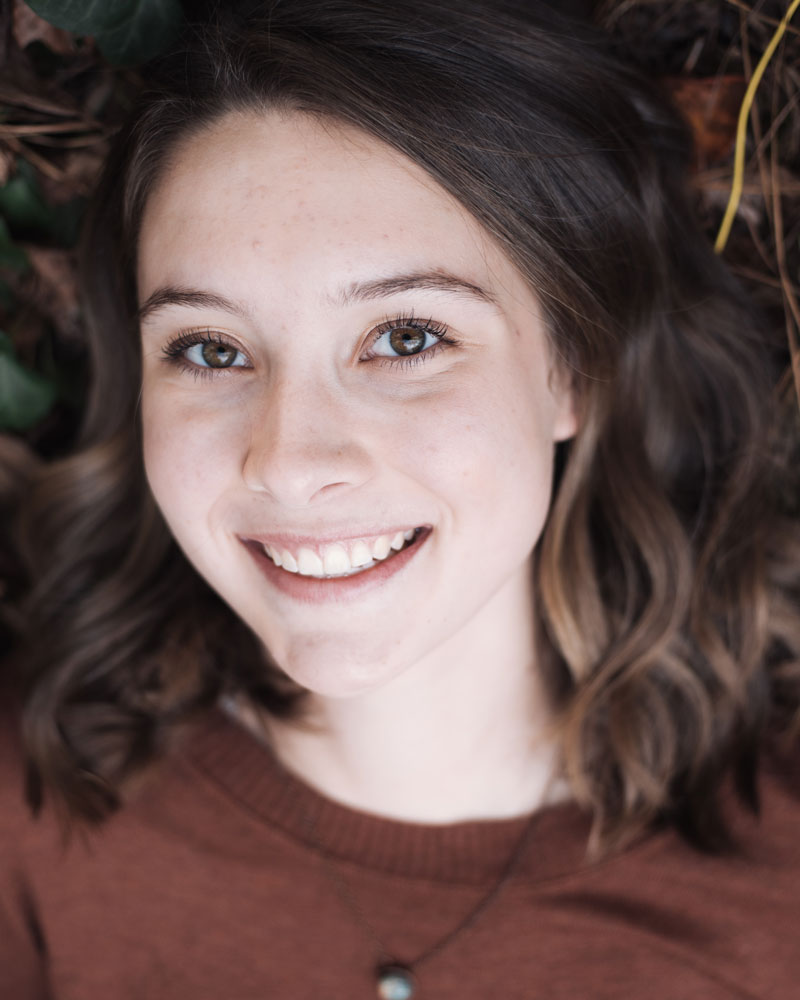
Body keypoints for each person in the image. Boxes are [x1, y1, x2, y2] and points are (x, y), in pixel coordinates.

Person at [2, 1, 799, 997]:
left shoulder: (779, 907)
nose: (288, 462)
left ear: (574, 367)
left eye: (406, 338)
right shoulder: (30, 824)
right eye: (210, 350)